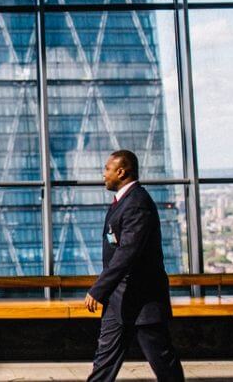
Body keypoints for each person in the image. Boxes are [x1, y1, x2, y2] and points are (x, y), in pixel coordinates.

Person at [84, 150, 184, 382]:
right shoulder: (124, 202)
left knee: (161, 358)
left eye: (107, 169)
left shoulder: (137, 203)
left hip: (142, 300)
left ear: (121, 171)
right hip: (119, 299)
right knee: (104, 361)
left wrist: (98, 289)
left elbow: (127, 253)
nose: (103, 174)